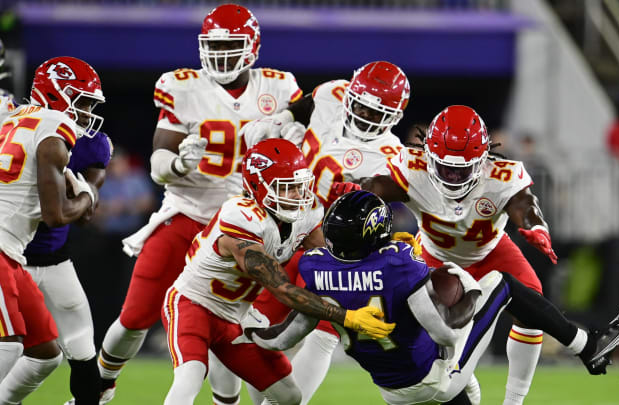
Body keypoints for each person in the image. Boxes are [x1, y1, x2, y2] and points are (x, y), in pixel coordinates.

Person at [97, 5, 313, 404]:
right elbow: (158, 162)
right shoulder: (183, 87)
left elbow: (305, 126)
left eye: (230, 46)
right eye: (213, 46)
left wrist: (287, 122)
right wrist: (179, 163)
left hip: (249, 225)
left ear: (252, 47)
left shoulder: (279, 86)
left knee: (233, 323)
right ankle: (98, 387)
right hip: (188, 214)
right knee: (134, 318)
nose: (220, 55)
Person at [241, 190, 619, 405]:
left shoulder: (315, 269)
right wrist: (470, 293)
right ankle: (586, 345)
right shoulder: (396, 265)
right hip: (430, 378)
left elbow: (283, 337)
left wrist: (249, 332)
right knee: (503, 283)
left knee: (470, 391)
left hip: (389, 387)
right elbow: (445, 333)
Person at [335, 105, 557, 405]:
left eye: (462, 168)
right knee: (426, 330)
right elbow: (375, 188)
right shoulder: (411, 168)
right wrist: (353, 191)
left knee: (533, 308)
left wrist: (536, 227)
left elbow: (525, 204)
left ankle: (514, 401)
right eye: (445, 167)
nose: (453, 176)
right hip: (433, 254)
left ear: (482, 159)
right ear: (428, 155)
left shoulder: (503, 174)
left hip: (491, 250)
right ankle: (454, 380)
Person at [161, 139, 395, 405]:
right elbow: (283, 289)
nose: (298, 194)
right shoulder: (240, 217)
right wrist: (347, 317)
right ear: (258, 188)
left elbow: (337, 258)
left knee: (290, 396)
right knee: (189, 376)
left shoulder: (304, 215)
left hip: (235, 319)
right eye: (287, 188)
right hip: (194, 304)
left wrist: (370, 230)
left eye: (300, 185)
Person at [243, 60, 410, 405]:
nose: (365, 115)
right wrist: (284, 120)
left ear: (395, 116)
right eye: (361, 104)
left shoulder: (393, 158)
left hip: (340, 250)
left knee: (323, 334)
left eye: (378, 112)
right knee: (254, 327)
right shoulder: (332, 93)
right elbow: (305, 105)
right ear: (350, 94)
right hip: (287, 229)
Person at [0, 56, 102, 400]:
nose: (86, 111)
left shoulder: (13, 117)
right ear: (57, 94)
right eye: (83, 100)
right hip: (2, 246)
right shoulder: (55, 126)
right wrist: (87, 196)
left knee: (45, 352)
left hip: (13, 251)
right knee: (8, 347)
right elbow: (56, 215)